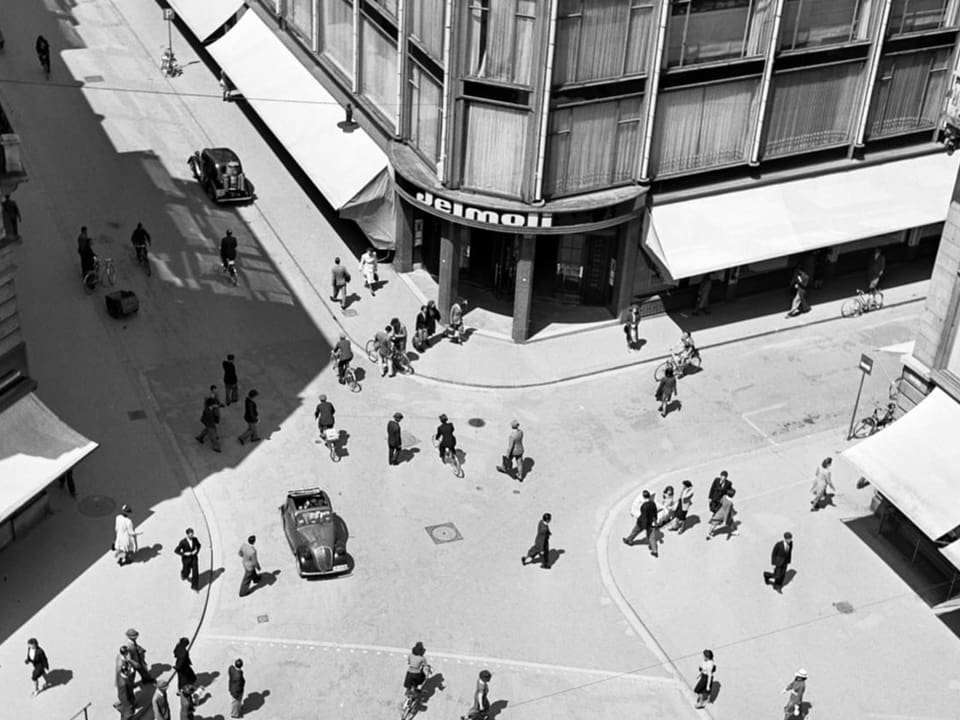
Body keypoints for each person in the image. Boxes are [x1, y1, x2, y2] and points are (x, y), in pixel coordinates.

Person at [623, 490, 659, 556]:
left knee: (635, 531)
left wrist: (643, 525)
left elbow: (644, 516)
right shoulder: (652, 503)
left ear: (643, 497)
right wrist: (655, 521)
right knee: (652, 537)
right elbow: (655, 512)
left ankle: (629, 540)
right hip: (651, 523)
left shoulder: (644, 506)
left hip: (643, 523)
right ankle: (654, 551)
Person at [115, 646, 136, 718]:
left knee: (129, 694)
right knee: (127, 695)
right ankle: (129, 709)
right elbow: (123, 697)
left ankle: (131, 705)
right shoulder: (122, 662)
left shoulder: (121, 658)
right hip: (125, 681)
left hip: (125, 680)